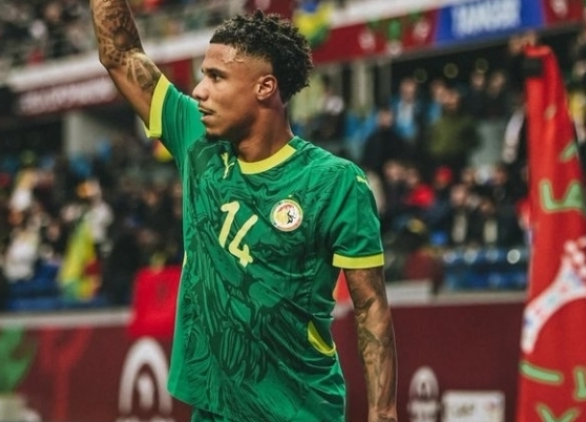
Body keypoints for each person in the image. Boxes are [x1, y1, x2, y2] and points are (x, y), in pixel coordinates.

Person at [90, 3, 397, 422]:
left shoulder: (334, 182)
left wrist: (383, 413)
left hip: (297, 411)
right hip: (213, 409)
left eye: (216, 77)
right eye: (203, 76)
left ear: (265, 87)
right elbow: (120, 54)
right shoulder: (197, 142)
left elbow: (370, 307)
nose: (199, 91)